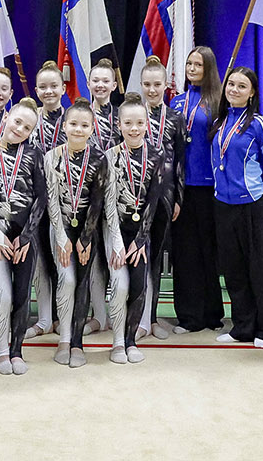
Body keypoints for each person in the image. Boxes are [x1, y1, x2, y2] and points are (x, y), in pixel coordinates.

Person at [210, 67, 263, 348]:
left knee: (260, 268)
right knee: (233, 270)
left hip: (253, 204)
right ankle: (242, 327)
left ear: (252, 93)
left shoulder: (259, 123)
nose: (234, 90)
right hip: (223, 205)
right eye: (231, 84)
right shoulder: (219, 120)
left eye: (242, 86)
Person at [0, 99, 46, 375]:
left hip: (25, 237)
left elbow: (41, 198)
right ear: (6, 118)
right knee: (2, 295)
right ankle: (2, 352)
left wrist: (26, 236)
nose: (19, 129)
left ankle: (17, 351)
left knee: (21, 295)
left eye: (27, 127)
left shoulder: (35, 155)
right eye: (17, 122)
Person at [104, 94, 167, 364]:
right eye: (128, 123)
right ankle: (117, 342)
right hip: (115, 230)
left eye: (139, 123)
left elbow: (153, 200)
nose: (134, 128)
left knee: (139, 286)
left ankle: (130, 341)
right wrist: (118, 242)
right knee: (119, 286)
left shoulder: (157, 155)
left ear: (147, 124)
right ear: (119, 125)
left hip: (141, 232)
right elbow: (107, 204)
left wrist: (140, 240)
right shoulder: (109, 157)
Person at [45, 101, 108, 368]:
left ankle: (77, 342)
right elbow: (51, 201)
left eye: (84, 125)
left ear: (92, 129)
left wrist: (85, 238)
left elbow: (97, 201)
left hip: (86, 229)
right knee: (66, 280)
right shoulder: (52, 157)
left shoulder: (99, 159)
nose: (78, 130)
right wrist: (61, 237)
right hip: (60, 226)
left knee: (82, 283)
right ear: (64, 127)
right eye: (73, 124)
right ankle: (64, 340)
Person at [169, 46, 224, 334]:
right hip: (182, 188)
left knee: (208, 251)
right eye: (189, 63)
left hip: (210, 187)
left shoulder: (219, 102)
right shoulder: (176, 102)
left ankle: (212, 314)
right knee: (185, 253)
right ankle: (188, 316)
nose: (192, 68)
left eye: (198, 65)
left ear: (209, 69)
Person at [136, 57, 186, 340]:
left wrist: (178, 197)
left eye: (157, 84)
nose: (152, 90)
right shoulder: (133, 115)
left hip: (165, 195)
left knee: (155, 256)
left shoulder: (175, 118)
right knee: (139, 254)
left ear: (166, 85)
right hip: (137, 194)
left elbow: (179, 160)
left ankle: (151, 318)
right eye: (147, 84)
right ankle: (137, 317)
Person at [33, 61, 67, 151]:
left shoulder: (71, 119)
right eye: (42, 87)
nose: (48, 91)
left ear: (63, 89)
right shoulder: (31, 119)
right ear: (37, 91)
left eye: (54, 86)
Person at [87, 59, 119, 151]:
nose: (100, 85)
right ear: (88, 84)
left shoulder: (121, 114)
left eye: (106, 81)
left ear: (114, 85)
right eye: (95, 81)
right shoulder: (81, 114)